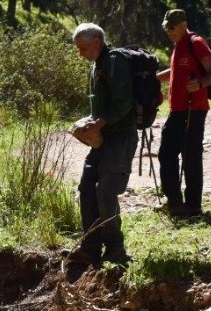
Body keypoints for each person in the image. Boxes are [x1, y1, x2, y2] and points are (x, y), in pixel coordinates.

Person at [68, 23, 137, 268]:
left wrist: (100, 123)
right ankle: (90, 247)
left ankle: (116, 248)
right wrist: (88, 124)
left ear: (97, 42)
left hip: (120, 139)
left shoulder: (115, 61)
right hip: (102, 140)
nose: (81, 53)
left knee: (106, 192)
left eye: (83, 47)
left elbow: (124, 102)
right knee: (87, 187)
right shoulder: (97, 64)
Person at [156, 9, 211, 218]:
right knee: (168, 154)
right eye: (166, 28)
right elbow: (175, 72)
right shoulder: (178, 45)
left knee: (189, 156)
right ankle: (176, 202)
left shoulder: (196, 42)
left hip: (193, 109)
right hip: (178, 109)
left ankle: (191, 206)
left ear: (183, 24)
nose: (169, 31)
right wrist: (153, 78)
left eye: (172, 27)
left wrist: (201, 83)